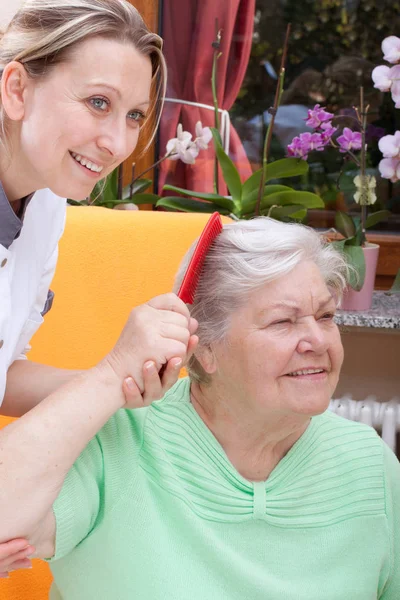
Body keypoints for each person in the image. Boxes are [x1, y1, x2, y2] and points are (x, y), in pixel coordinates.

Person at [1, 217, 399, 599]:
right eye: (283, 322)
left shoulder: (369, 464)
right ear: (205, 347)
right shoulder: (116, 440)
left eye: (326, 316)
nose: (318, 340)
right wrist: (109, 377)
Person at [0, 0, 198, 577]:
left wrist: (120, 382)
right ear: (16, 89)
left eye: (134, 116)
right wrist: (111, 375)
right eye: (97, 103)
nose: (117, 143)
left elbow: (3, 373)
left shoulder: (46, 204)